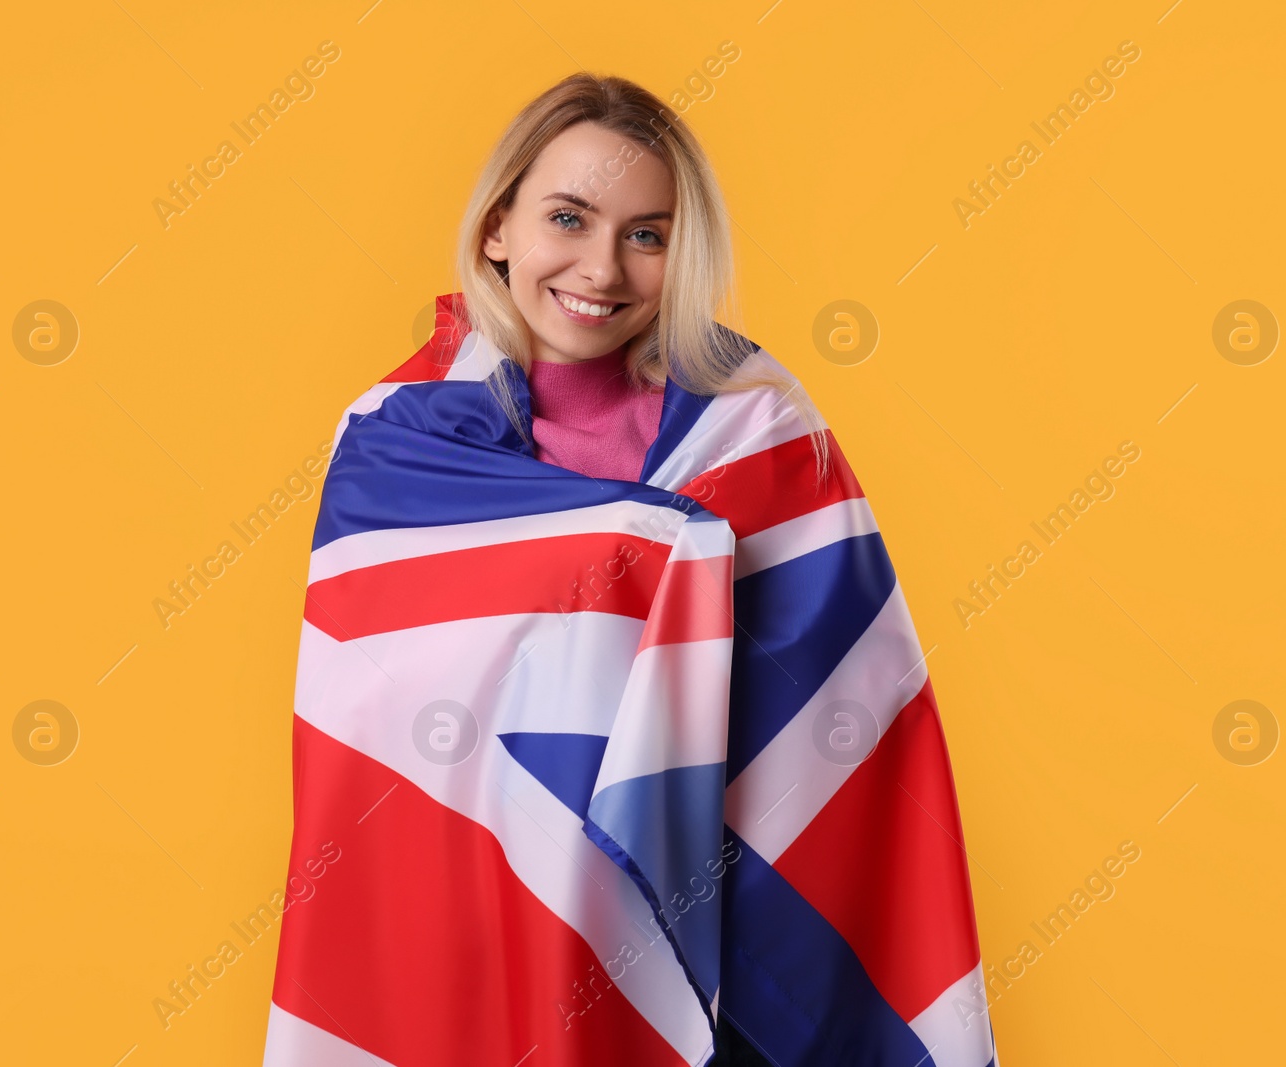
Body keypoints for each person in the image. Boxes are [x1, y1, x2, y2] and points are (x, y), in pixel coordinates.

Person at [263, 72, 996, 1067]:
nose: (601, 267)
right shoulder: (397, 444)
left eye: (646, 235)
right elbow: (375, 732)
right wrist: (667, 549)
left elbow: (847, 708)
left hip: (718, 937)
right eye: (568, 218)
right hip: (473, 939)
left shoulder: (759, 429)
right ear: (497, 228)